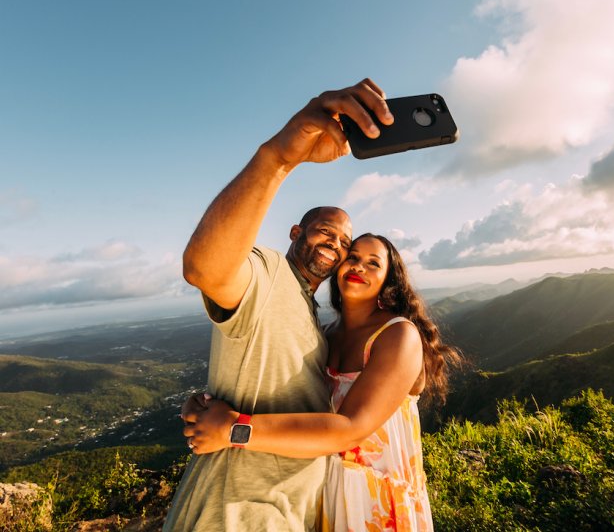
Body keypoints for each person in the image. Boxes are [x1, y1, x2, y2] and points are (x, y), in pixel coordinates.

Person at [163, 79, 395, 531]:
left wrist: (207, 404)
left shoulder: (317, 318)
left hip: (287, 509)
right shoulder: (269, 273)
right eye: (326, 231)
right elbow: (205, 268)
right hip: (237, 510)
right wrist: (278, 159)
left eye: (345, 242)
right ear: (295, 234)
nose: (336, 244)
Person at [182, 232, 462, 531]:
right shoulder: (323, 336)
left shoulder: (398, 334)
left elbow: (350, 430)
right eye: (352, 258)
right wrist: (206, 404)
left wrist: (232, 429)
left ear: (387, 280)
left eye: (373, 263)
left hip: (378, 501)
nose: (358, 267)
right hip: (320, 493)